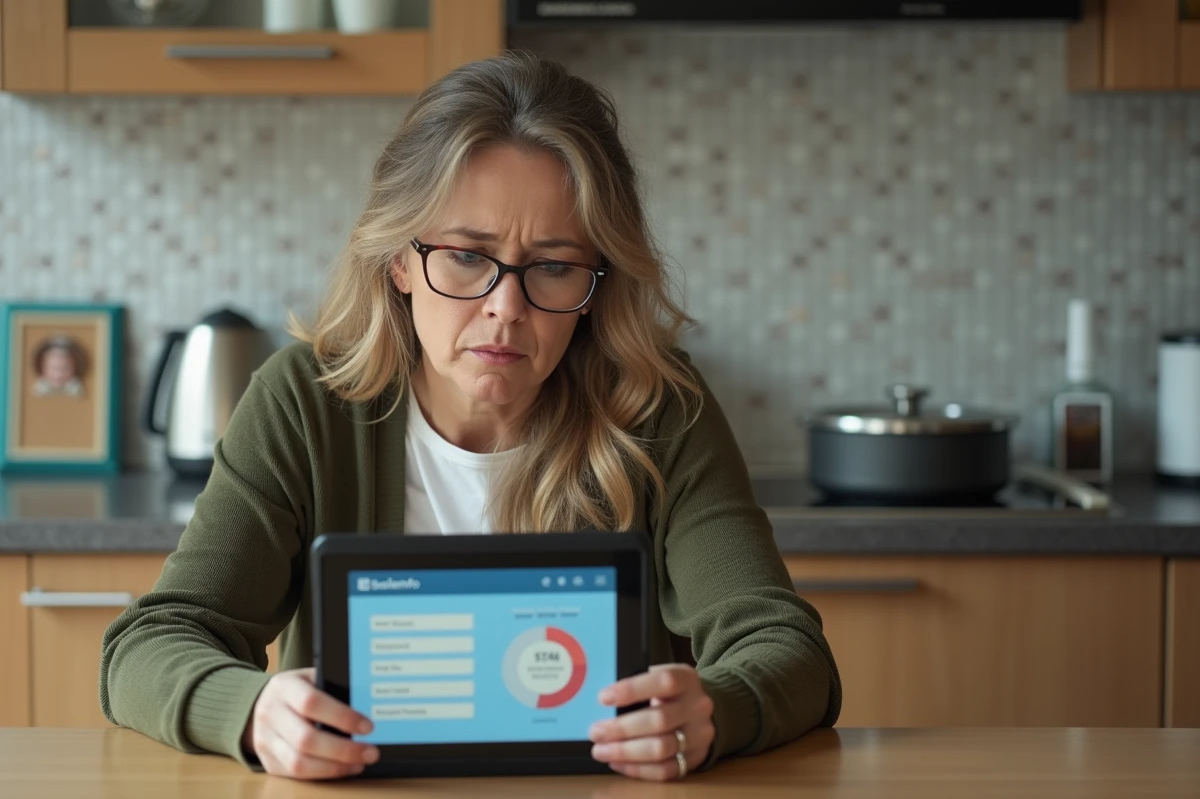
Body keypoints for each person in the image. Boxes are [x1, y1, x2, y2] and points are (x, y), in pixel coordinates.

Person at [100, 51, 840, 783]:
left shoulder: (656, 406)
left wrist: (719, 707)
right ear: (399, 259)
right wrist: (254, 712)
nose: (505, 308)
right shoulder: (304, 402)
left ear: (596, 280)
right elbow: (151, 643)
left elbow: (785, 649)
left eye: (553, 266)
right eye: (465, 256)